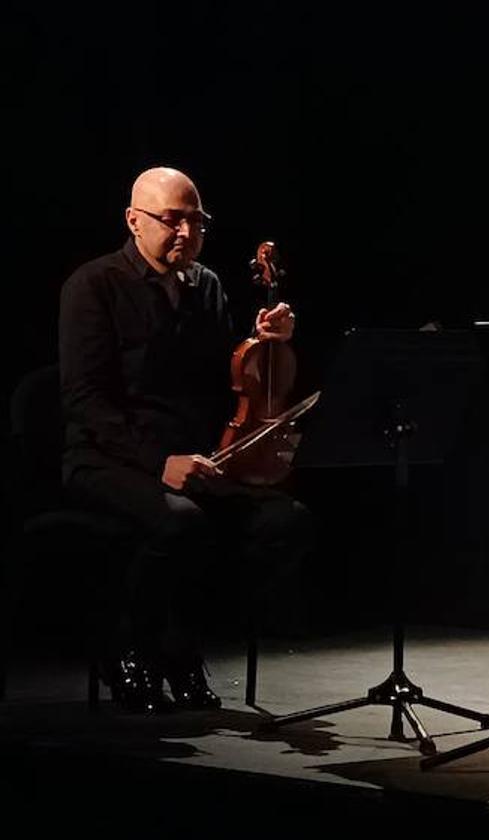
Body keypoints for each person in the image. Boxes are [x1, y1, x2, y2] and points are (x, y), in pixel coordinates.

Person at [59, 166, 312, 713]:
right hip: (106, 458)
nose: (185, 233)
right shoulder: (93, 286)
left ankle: (179, 637)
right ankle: (130, 644)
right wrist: (159, 463)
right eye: (171, 220)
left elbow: (225, 382)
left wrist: (266, 344)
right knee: (181, 519)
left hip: (195, 457)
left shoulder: (208, 285)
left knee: (282, 518)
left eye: (196, 222)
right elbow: (86, 405)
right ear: (134, 221)